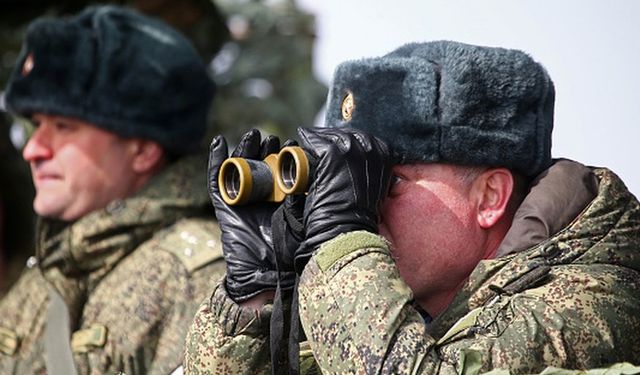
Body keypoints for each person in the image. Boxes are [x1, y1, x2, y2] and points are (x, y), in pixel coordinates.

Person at [185, 41, 640, 373]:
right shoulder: (369, 313)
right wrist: (257, 299)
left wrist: (340, 240)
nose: (362, 202)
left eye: (387, 181)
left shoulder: (593, 307)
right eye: (345, 180)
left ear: (490, 198)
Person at [0, 5, 226, 374]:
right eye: (36, 124)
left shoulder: (198, 281)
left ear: (142, 149)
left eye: (63, 126)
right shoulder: (54, 267)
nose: (33, 149)